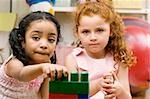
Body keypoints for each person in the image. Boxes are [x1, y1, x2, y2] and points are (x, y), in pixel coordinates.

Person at [65, 0, 136, 99]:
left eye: (99, 30)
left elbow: (127, 97)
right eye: (86, 32)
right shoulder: (73, 59)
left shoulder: (119, 58)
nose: (93, 37)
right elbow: (72, 95)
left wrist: (119, 91)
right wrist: (97, 85)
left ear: (111, 30)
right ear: (77, 33)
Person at [0, 11, 68, 99]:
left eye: (51, 40)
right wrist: (43, 67)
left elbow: (44, 96)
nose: (44, 45)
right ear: (22, 41)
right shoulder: (14, 63)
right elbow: (22, 75)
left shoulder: (46, 65)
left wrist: (44, 67)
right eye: (36, 38)